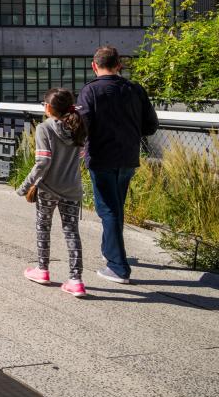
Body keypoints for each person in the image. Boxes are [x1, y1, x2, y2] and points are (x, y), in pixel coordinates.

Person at [77, 46, 159, 285]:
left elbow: (83, 125)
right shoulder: (135, 90)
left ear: (94, 65)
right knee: (116, 207)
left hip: (102, 158)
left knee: (108, 210)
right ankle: (109, 250)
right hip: (128, 157)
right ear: (119, 65)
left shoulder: (90, 91)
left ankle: (118, 267)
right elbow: (151, 125)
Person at [16, 88, 88, 298]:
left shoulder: (44, 128)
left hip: (47, 188)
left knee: (43, 228)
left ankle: (42, 270)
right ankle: (76, 281)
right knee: (71, 231)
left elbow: (43, 162)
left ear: (48, 108)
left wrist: (24, 186)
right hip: (72, 188)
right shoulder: (78, 126)